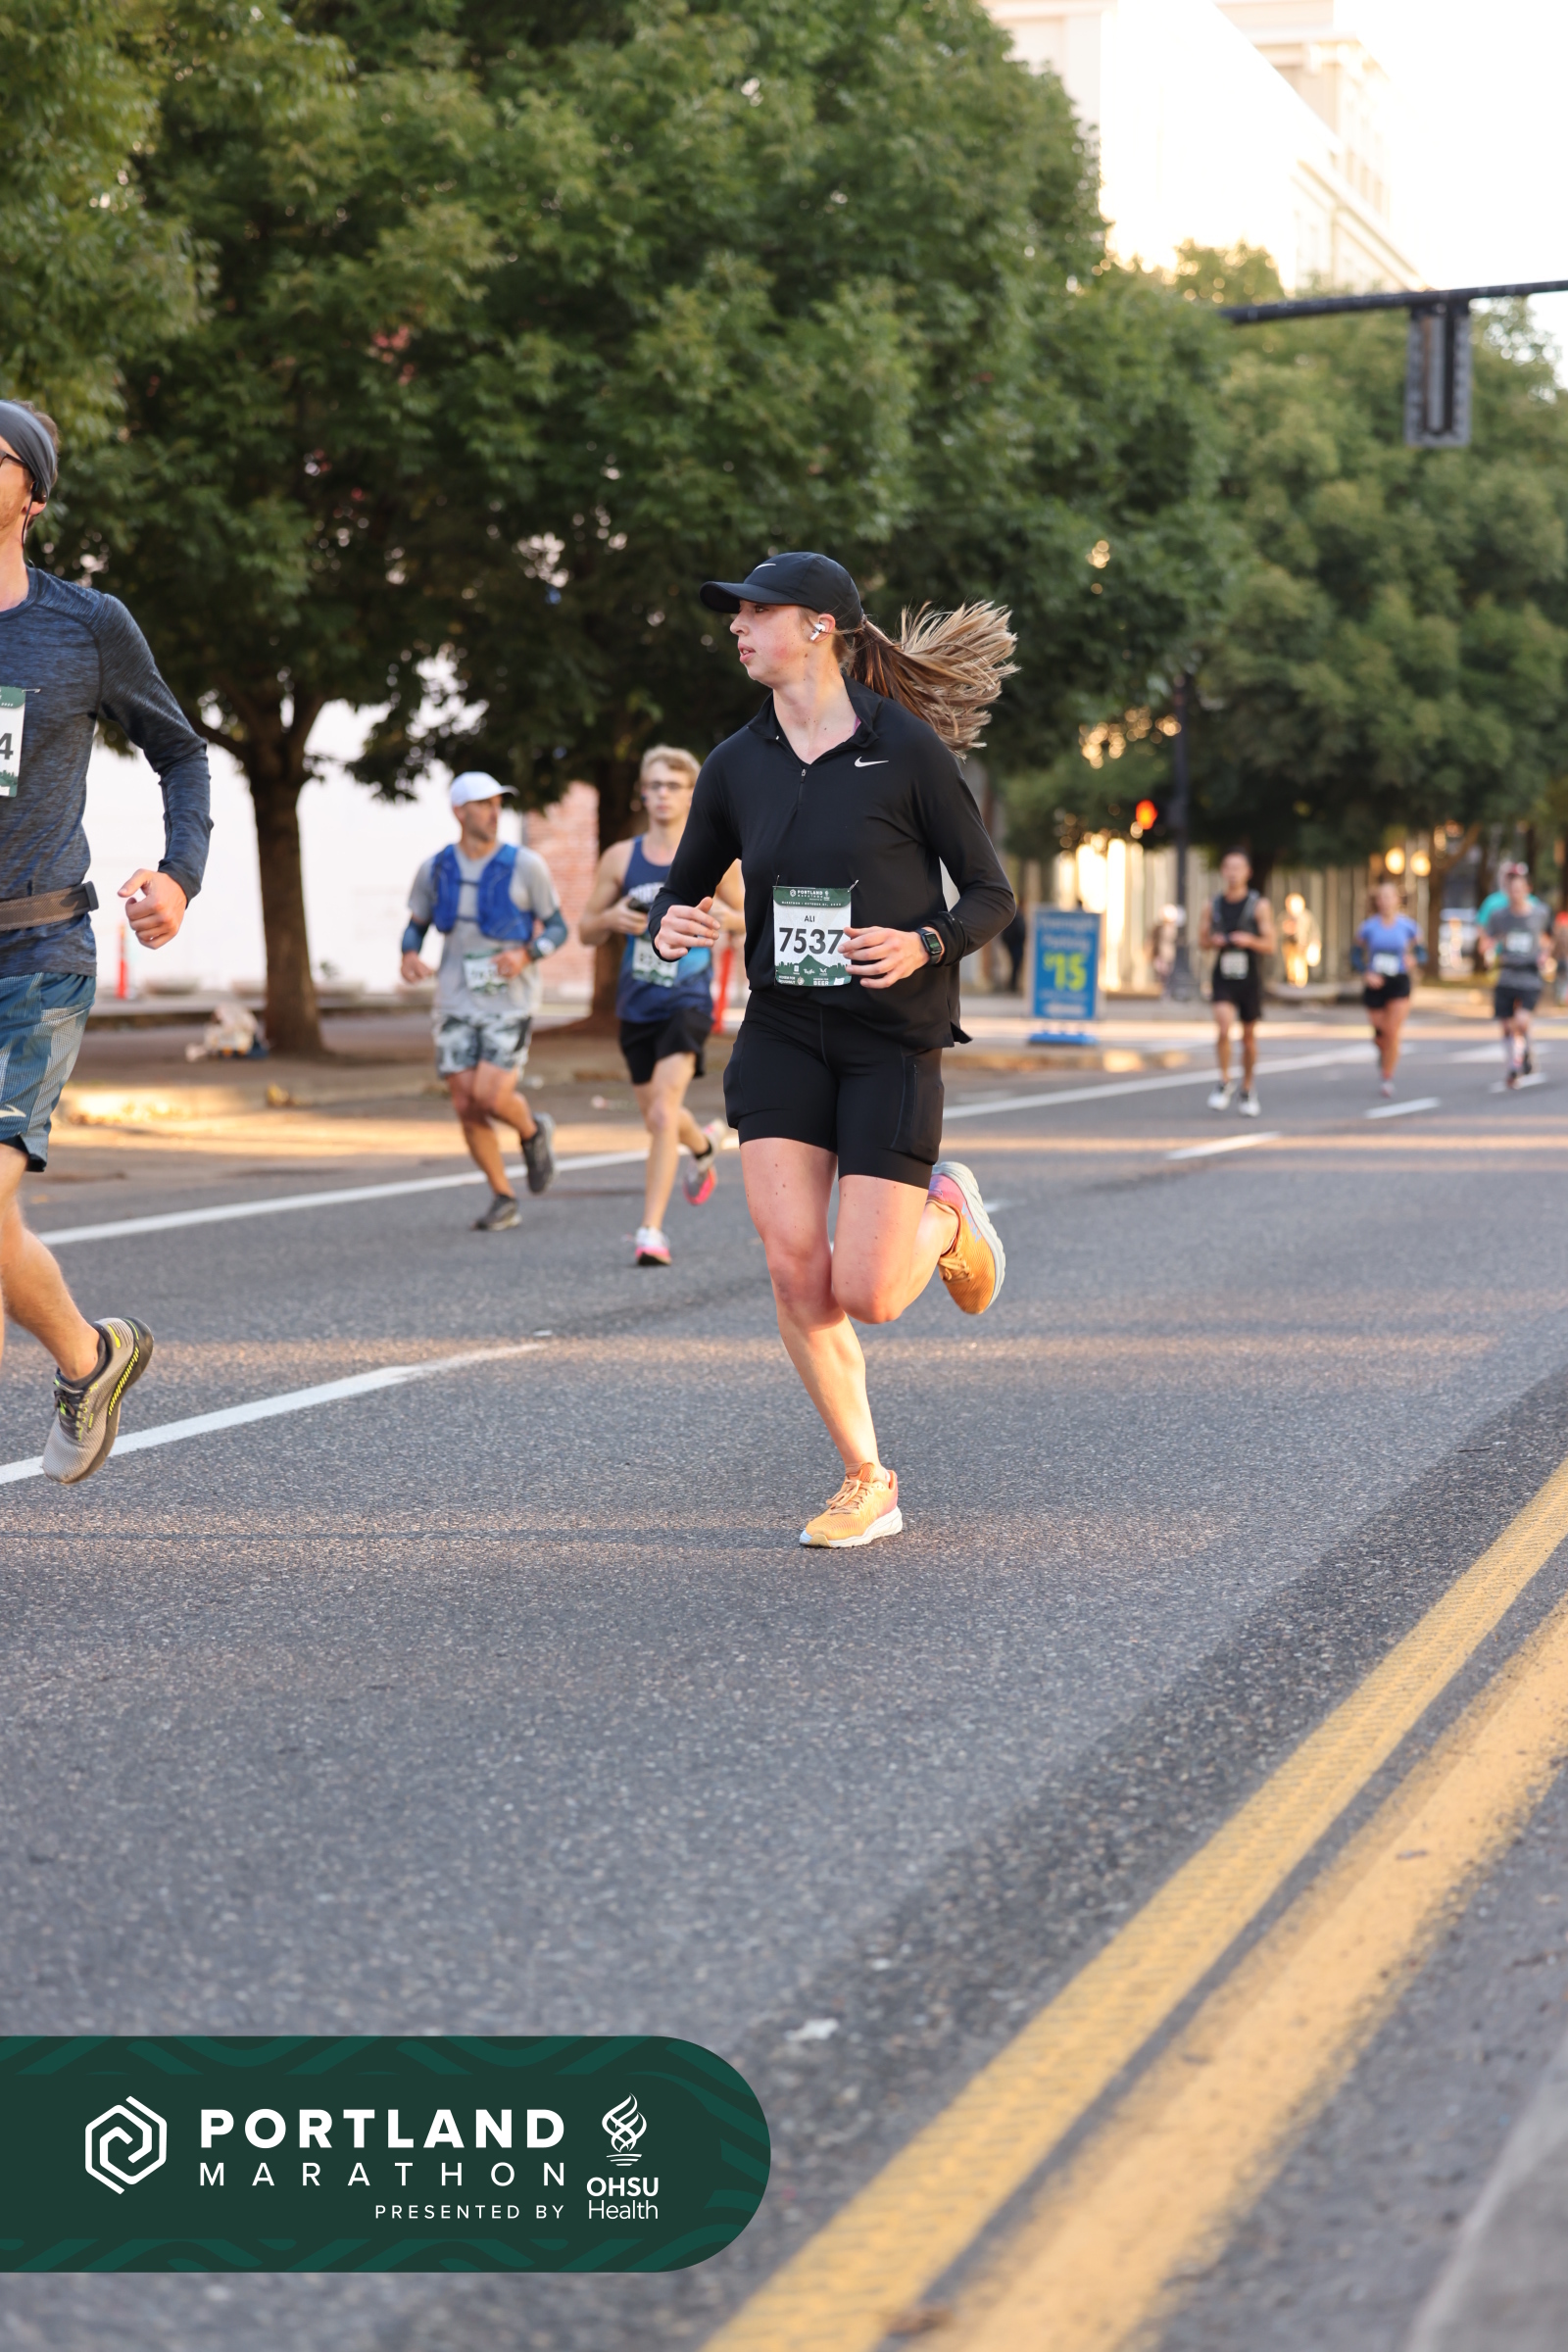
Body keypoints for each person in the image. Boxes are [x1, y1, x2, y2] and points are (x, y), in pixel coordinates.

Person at [646, 551, 1016, 1548]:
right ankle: (867, 1478)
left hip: (888, 1038)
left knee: (870, 1293)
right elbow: (681, 890)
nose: (737, 627)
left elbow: (990, 894)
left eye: (755, 612)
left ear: (819, 627)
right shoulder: (736, 763)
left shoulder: (905, 750)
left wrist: (925, 941)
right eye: (735, 614)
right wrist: (670, 926)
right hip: (781, 1032)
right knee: (792, 1266)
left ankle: (948, 1215)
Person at [0, 398, 210, 1482]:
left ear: (32, 494)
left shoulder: (85, 625)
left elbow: (181, 751)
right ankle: (90, 1359)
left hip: (36, 955)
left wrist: (179, 875)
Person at [578, 745, 744, 1265]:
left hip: (687, 999)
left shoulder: (714, 853)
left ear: (692, 794)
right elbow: (585, 930)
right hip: (637, 1003)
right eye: (653, 786)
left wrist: (718, 920)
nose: (662, 795)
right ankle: (703, 1144)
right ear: (642, 794)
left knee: (663, 1109)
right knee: (657, 1115)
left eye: (673, 785)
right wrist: (611, 920)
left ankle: (650, 1230)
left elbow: (754, 914)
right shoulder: (620, 858)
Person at [401, 773, 565, 1227]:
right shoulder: (435, 869)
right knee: (466, 1104)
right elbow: (417, 924)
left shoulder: (526, 865)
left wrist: (526, 954)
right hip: (454, 1000)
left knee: (490, 1096)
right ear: (459, 811)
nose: (495, 813)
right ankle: (502, 1197)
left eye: (498, 804)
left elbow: (557, 928)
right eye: (484, 804)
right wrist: (409, 954)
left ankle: (532, 1130)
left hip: (509, 1001)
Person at [1200, 850, 1275, 1116]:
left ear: (1248, 873)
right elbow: (1202, 940)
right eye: (1229, 867)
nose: (1233, 873)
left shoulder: (1259, 905)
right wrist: (1214, 941)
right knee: (1223, 1028)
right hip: (1223, 975)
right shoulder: (1213, 904)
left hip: (1248, 976)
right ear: (1223, 871)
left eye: (1238, 868)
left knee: (1248, 1038)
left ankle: (1247, 1087)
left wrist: (1249, 940)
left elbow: (1270, 944)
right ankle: (1224, 1080)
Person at [1482, 865, 1549, 1088]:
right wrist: (1488, 952)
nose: (1515, 893)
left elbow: (1548, 937)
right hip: (1507, 972)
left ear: (1527, 889)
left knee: (1521, 1021)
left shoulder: (1539, 912)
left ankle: (1522, 1055)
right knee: (1507, 1025)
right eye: (1511, 889)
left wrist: (1545, 955)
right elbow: (1489, 937)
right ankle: (1513, 1065)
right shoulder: (1499, 915)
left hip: (1529, 974)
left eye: (1519, 889)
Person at [1355, 880, 1422, 1097]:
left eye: (1389, 897)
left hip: (1398, 981)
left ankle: (1387, 1077)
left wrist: (1414, 959)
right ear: (1376, 901)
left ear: (1397, 900)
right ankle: (1383, 1050)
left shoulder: (1408, 926)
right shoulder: (1368, 927)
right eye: (1381, 898)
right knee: (1380, 1034)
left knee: (1392, 1031)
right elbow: (1355, 954)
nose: (1385, 902)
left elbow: (1422, 952)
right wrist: (1366, 972)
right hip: (1376, 982)